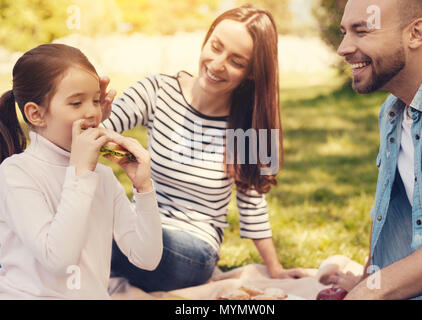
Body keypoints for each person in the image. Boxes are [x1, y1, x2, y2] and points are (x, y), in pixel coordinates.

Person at [100, 5, 311, 292]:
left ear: (251, 73)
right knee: (94, 219)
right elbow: (95, 136)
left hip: (191, 253)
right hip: (137, 228)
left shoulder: (247, 126)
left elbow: (252, 205)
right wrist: (97, 118)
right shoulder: (157, 92)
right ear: (207, 39)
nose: (217, 64)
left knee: (100, 233)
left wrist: (274, 269)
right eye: (216, 47)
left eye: (236, 61)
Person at [0, 43, 163, 299]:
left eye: (96, 100)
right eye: (76, 103)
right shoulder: (16, 173)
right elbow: (58, 260)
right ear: (36, 114)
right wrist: (80, 173)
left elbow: (147, 258)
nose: (93, 112)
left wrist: (143, 188)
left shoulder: (103, 177)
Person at [329, 0, 422, 299]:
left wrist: (376, 290)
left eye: (361, 31)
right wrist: (366, 278)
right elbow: (393, 208)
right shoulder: (393, 112)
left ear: (416, 33)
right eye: (344, 32)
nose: (343, 48)